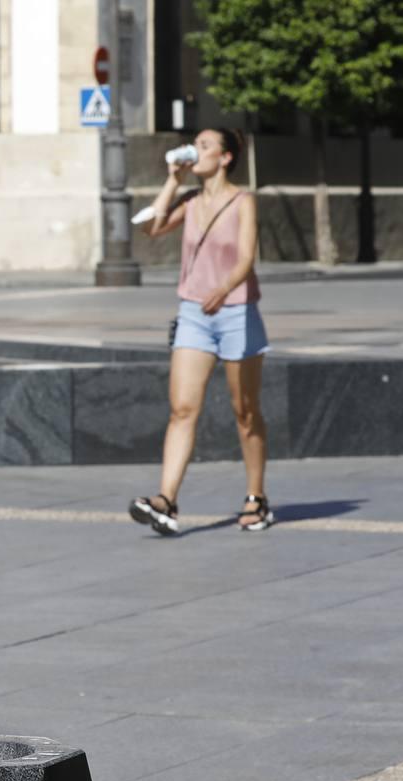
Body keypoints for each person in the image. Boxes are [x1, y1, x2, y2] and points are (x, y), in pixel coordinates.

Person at [128, 128, 274, 535]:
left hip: (236, 312)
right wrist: (173, 180)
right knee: (182, 410)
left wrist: (223, 289)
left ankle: (256, 497)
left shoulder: (243, 202)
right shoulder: (190, 201)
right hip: (194, 313)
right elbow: (151, 230)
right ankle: (165, 501)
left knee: (245, 412)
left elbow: (246, 258)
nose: (197, 151)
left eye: (205, 145)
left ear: (226, 158)